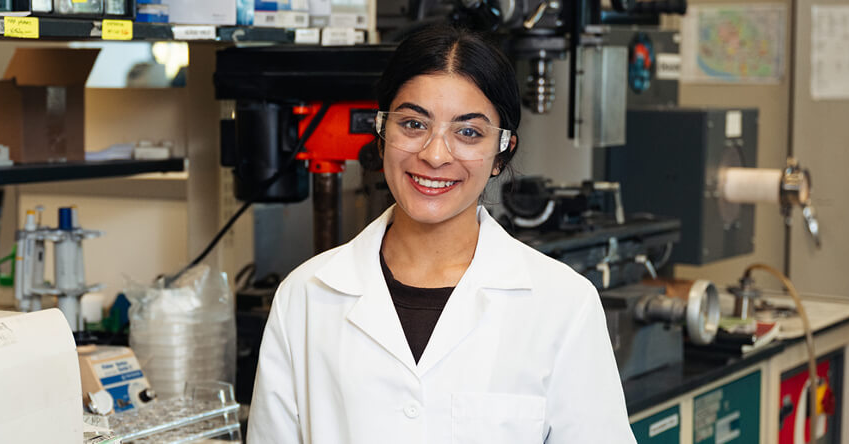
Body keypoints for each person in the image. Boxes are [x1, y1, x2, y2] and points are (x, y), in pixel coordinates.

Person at [248, 25, 636, 444]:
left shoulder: (563, 306)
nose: (434, 155)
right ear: (381, 136)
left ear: (500, 153)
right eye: (413, 124)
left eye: (468, 132)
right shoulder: (305, 297)